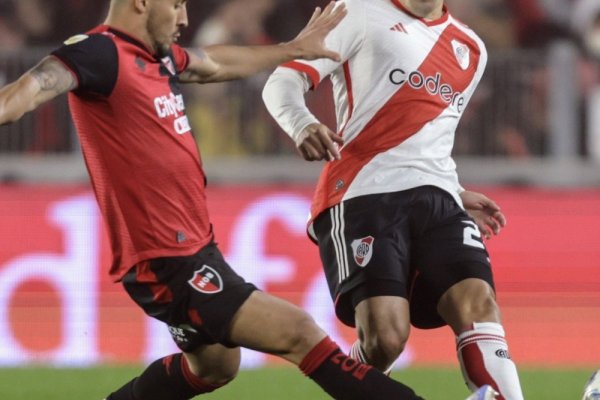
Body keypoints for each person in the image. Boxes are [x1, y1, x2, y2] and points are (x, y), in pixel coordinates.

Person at [0, 0, 499, 399]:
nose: (185, 18)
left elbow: (216, 63)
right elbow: (26, 91)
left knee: (215, 366)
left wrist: (293, 47)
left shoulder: (155, 58)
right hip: (167, 259)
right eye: (175, 6)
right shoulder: (96, 53)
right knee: (301, 334)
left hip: (194, 248)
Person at [262, 0, 524, 399]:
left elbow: (433, 136)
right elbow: (281, 82)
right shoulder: (358, 11)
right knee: (386, 337)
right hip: (364, 190)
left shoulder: (472, 47)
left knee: (478, 304)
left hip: (439, 199)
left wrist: (454, 192)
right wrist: (301, 124)